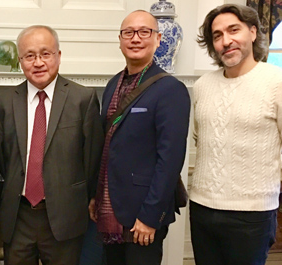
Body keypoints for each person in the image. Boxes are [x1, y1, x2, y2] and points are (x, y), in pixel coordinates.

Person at [0, 25, 103, 265]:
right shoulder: (2, 103)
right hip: (18, 216)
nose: (38, 62)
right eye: (29, 56)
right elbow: (3, 158)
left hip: (65, 217)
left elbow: (91, 158)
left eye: (45, 54)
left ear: (58, 56)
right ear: (20, 61)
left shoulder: (82, 99)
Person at [89, 10, 190, 265]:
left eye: (144, 32)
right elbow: (106, 146)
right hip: (110, 207)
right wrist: (96, 196)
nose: (136, 38)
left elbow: (170, 159)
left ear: (157, 39)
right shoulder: (113, 84)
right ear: (120, 40)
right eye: (128, 33)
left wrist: (150, 216)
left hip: (143, 213)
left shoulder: (170, 90)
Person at [190, 4, 282, 265]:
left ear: (253, 32)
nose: (226, 41)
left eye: (234, 30)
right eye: (217, 35)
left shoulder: (279, 82)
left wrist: (270, 183)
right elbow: (201, 139)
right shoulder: (202, 86)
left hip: (252, 216)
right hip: (202, 207)